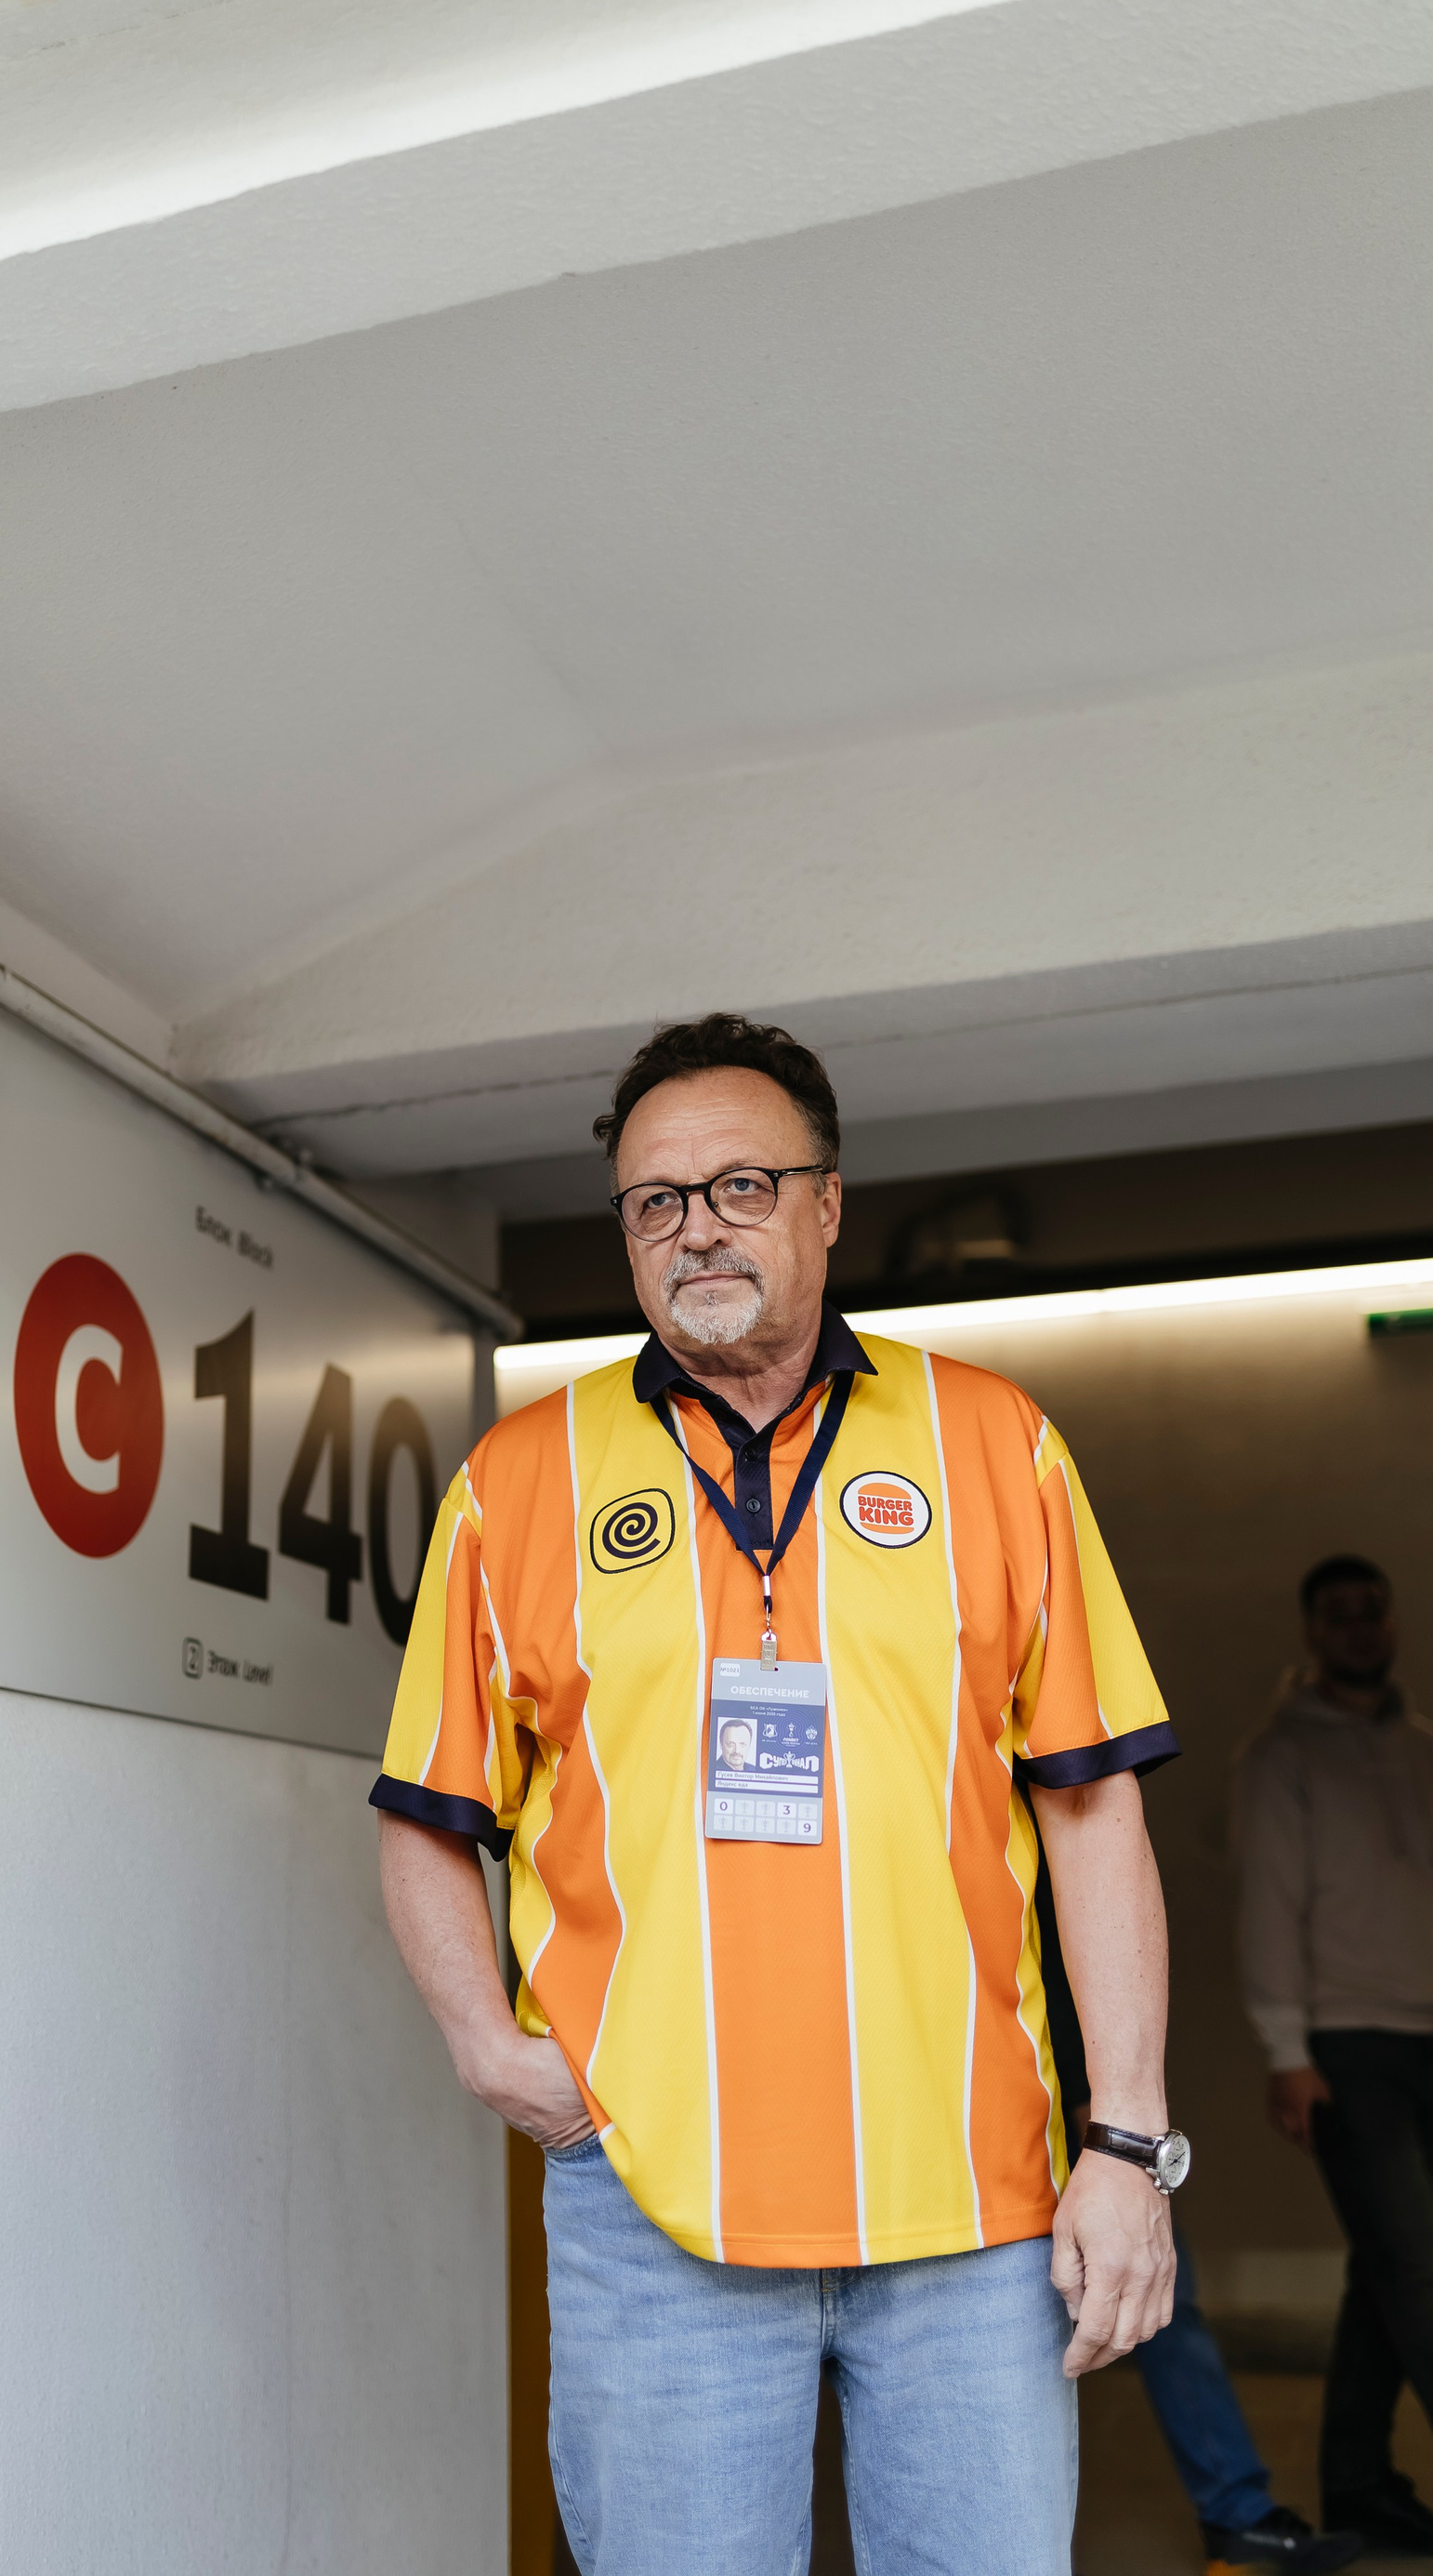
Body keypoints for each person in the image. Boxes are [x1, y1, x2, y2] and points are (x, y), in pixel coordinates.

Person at [373, 1011, 1186, 2576]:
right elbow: (427, 1813)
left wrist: (1130, 2143)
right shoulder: (517, 1483)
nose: (697, 1229)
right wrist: (491, 2050)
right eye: (655, 1202)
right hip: (654, 2207)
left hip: (976, 2207)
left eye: (741, 1186)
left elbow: (1093, 1806)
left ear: (827, 1205)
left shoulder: (996, 1444)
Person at [1037, 1856, 1361, 2572]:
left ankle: (1237, 2513)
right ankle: (1236, 2512)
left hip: (1081, 2112)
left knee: (1162, 2297)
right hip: (1014, 2114)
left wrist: (1108, 2126)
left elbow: (1061, 1950)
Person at [1238, 1555, 1433, 2558]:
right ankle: (1363, 2484)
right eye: (1340, 1615)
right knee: (1417, 2265)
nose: (1360, 1627)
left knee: (1389, 2270)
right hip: (1345, 2046)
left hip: (1429, 2034)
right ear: (1313, 1632)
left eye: (1373, 1611)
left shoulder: (1422, 1746)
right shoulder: (1282, 1758)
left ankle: (1360, 2487)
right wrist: (1287, 2050)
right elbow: (1269, 1910)